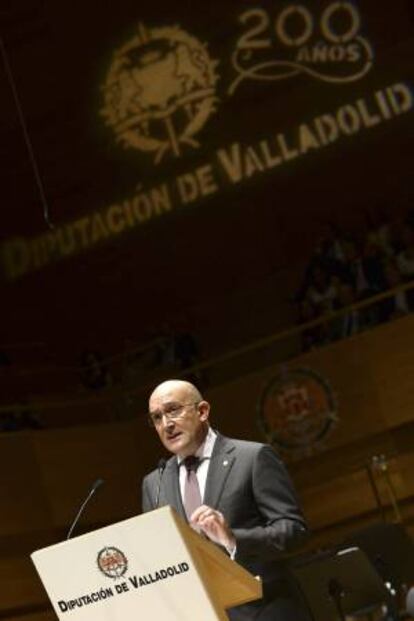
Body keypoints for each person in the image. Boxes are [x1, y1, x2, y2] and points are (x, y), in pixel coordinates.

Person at [141, 379, 309, 621]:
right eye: (157, 417)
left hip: (263, 611)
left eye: (173, 410)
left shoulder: (251, 458)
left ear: (202, 411)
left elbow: (294, 530)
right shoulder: (153, 484)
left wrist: (233, 539)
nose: (166, 424)